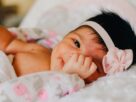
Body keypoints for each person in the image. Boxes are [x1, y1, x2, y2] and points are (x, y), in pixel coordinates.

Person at [0, 11, 135, 83]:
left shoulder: (66, 88)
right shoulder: (40, 50)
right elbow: (9, 41)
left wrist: (68, 77)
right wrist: (7, 41)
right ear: (66, 35)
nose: (76, 58)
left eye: (93, 64)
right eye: (76, 43)